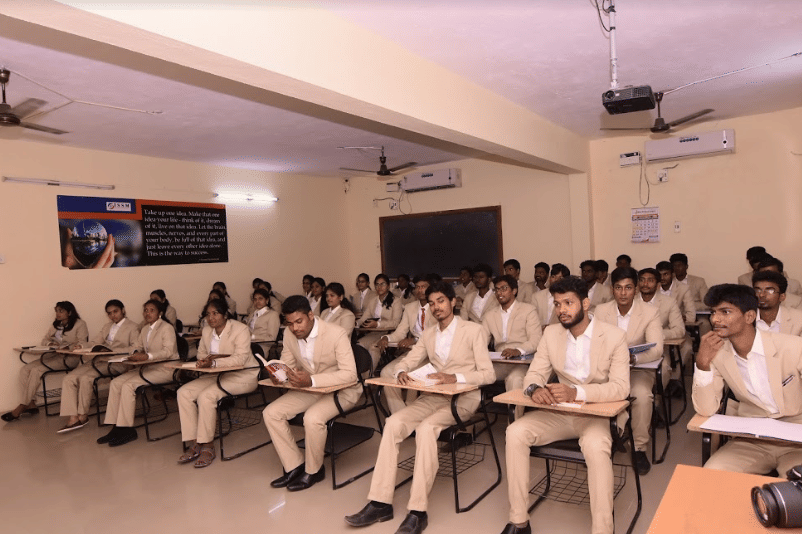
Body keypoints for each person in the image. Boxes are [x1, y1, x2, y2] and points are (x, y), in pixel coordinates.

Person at [345, 281, 495, 534]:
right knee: (393, 424)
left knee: (426, 430)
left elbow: (488, 374)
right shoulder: (428, 334)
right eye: (432, 302)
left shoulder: (473, 330)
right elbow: (412, 358)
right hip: (434, 397)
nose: (436, 307)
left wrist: (454, 377)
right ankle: (380, 502)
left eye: (441, 301)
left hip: (464, 399)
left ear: (453, 302)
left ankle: (417, 511)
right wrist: (402, 370)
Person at [500, 276, 629, 534]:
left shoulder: (614, 336)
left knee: (595, 446)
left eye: (568, 303)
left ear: (585, 303)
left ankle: (603, 530)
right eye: (557, 304)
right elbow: (534, 374)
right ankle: (519, 521)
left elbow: (620, 388)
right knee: (515, 432)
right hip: (559, 413)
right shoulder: (551, 333)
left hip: (597, 414)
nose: (561, 310)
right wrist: (535, 389)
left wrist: (576, 392)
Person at [693, 284, 802, 475]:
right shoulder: (717, 353)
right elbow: (706, 409)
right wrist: (702, 364)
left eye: (725, 312)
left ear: (749, 317)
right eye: (713, 312)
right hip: (752, 440)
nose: (715, 319)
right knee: (711, 475)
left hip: (796, 439)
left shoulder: (793, 347)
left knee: (796, 490)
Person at [263, 296, 361, 491]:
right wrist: (279, 374)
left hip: (343, 390)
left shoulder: (336, 333)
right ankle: (294, 465)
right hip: (311, 388)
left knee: (313, 418)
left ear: (310, 315)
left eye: (299, 322)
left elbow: (350, 375)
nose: (295, 328)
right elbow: (288, 364)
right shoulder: (290, 335)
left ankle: (314, 470)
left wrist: (312, 380)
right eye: (290, 324)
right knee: (271, 413)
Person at [595, 267, 663, 475]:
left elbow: (657, 348)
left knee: (642, 395)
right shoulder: (601, 311)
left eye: (628, 288)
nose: (623, 293)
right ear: (611, 289)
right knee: (593, 390)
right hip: (607, 369)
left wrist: (631, 357)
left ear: (635, 289)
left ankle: (639, 447)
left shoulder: (650, 311)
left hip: (637, 368)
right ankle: (605, 439)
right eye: (618, 288)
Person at [176, 298, 256, 468]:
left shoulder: (240, 329)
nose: (211, 318)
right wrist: (206, 362)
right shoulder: (206, 331)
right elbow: (201, 355)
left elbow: (240, 358)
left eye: (215, 313)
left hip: (242, 375)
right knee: (183, 393)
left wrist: (213, 362)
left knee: (207, 396)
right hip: (215, 374)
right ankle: (195, 441)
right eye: (208, 314)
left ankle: (208, 445)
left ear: (225, 314)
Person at [98, 299, 179, 446]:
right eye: (145, 310)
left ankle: (127, 429)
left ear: (160, 313)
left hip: (166, 368)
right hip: (148, 367)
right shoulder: (145, 329)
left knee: (129, 385)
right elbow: (136, 346)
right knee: (116, 382)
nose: (147, 313)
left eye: (151, 310)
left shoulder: (167, 328)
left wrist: (147, 356)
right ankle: (115, 427)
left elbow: (168, 351)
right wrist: (135, 352)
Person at [56, 300, 140, 433]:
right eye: (109, 313)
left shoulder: (133, 327)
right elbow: (95, 342)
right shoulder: (107, 326)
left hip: (117, 362)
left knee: (86, 378)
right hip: (100, 359)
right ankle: (73, 416)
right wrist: (82, 346)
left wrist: (112, 352)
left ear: (123, 310)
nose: (113, 316)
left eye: (115, 312)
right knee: (69, 377)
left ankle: (83, 415)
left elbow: (135, 347)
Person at [3, 302, 88, 422]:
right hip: (53, 356)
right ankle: (31, 403)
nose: (57, 314)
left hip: (69, 358)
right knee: (25, 370)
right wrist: (50, 344)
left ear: (69, 312)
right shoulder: (56, 325)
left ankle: (22, 405)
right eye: (56, 311)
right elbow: (45, 340)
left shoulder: (80, 324)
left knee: (37, 370)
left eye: (61, 311)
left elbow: (83, 342)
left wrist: (68, 348)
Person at [376, 274, 439, 414]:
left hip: (431, 354)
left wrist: (415, 340)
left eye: (424, 287)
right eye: (417, 287)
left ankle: (410, 412)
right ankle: (400, 414)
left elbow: (436, 334)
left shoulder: (437, 307)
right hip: (413, 353)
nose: (420, 290)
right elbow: (400, 333)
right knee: (386, 372)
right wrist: (386, 337)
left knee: (410, 373)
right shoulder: (410, 307)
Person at [482, 274, 542, 419]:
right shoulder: (490, 315)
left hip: (522, 361)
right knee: (474, 372)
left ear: (514, 291)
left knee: (515, 380)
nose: (500, 293)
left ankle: (515, 423)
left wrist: (518, 350)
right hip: (500, 361)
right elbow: (480, 341)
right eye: (496, 290)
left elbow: (536, 340)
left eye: (504, 288)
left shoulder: (528, 310)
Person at [358, 273, 403, 367]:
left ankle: (369, 377)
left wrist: (377, 324)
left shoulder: (396, 301)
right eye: (377, 284)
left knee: (373, 347)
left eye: (382, 284)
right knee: (359, 344)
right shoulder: (373, 301)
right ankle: (361, 376)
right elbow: (364, 318)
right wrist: (356, 323)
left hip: (390, 333)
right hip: (375, 333)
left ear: (388, 286)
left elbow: (396, 323)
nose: (379, 287)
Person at [638, 268, 685, 340]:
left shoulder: (669, 302)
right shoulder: (630, 301)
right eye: (642, 280)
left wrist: (656, 334)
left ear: (658, 285)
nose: (645, 284)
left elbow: (679, 330)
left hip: (660, 344)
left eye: (650, 280)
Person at [753, 270, 802, 336]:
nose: (761, 295)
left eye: (770, 290)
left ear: (782, 297)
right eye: (757, 290)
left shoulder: (799, 319)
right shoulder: (744, 318)